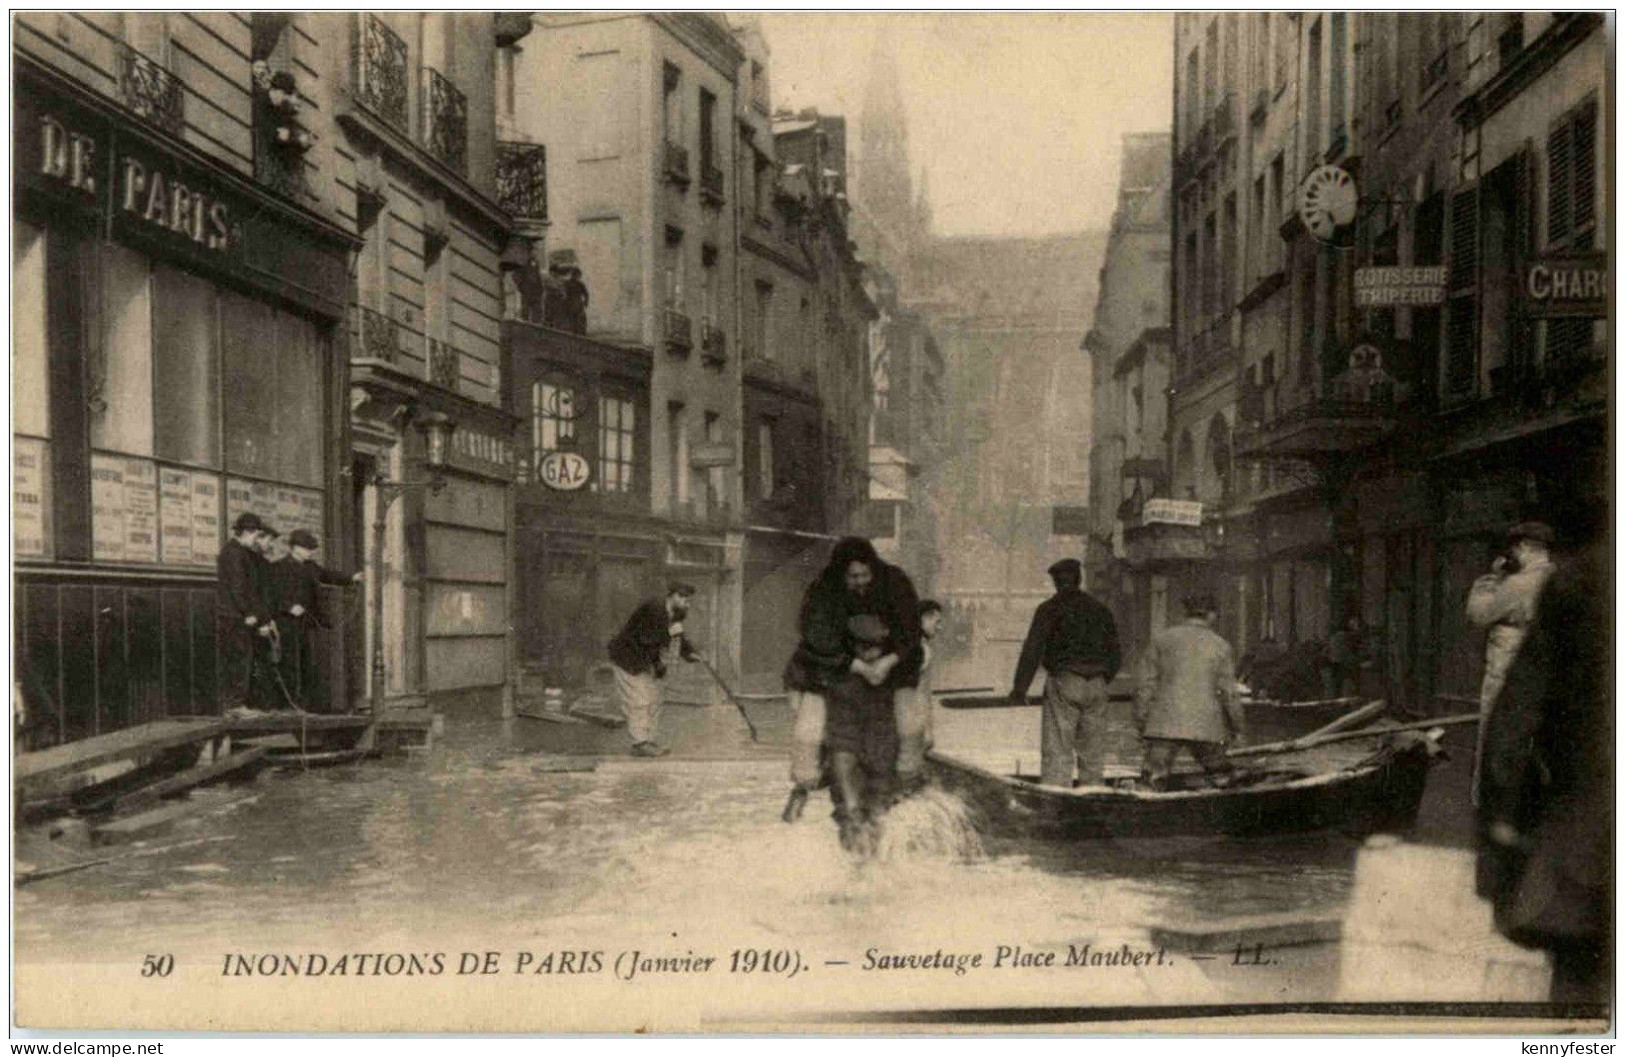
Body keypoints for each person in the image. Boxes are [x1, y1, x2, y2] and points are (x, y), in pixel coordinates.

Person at [1476, 540, 1609, 1003]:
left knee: (1583, 999)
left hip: (1593, 843)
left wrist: (1503, 837)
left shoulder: (1584, 577)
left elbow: (1514, 727)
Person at [782, 538, 898, 817]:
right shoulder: (823, 601)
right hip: (815, 679)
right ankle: (802, 790)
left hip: (847, 682)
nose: (859, 582)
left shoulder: (871, 599)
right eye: (853, 576)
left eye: (864, 575)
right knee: (809, 739)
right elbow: (814, 651)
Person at [1008, 558, 1121, 788]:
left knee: (1058, 750)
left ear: (1056, 583)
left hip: (1065, 682)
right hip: (1097, 684)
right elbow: (1116, 653)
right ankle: (1093, 793)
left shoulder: (1048, 609)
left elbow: (1032, 651)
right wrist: (1101, 678)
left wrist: (1020, 690)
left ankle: (1057, 798)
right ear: (1079, 580)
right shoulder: (1100, 610)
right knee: (1093, 753)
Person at [1466, 521, 1557, 804]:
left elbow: (1479, 615)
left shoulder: (1517, 584)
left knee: (1494, 733)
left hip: (1507, 670)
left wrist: (1490, 581)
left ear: (1524, 548)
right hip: (1546, 669)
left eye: (1516, 549)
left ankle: (1489, 801)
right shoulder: (1555, 578)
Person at [1134, 593, 1245, 791]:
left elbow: (1144, 686)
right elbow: (1229, 693)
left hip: (1164, 722)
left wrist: (1142, 722)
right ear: (1211, 615)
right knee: (1222, 778)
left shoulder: (1161, 640)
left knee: (1151, 781)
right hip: (1207, 724)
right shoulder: (1221, 645)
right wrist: (1238, 727)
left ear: (1185, 613)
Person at [825, 613, 901, 854]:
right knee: (851, 813)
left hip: (880, 754)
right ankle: (856, 868)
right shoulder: (838, 677)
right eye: (865, 646)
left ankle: (869, 869)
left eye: (876, 646)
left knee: (878, 814)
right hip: (848, 752)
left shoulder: (891, 673)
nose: (872, 652)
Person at [607, 582, 701, 757]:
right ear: (671, 596)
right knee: (639, 700)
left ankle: (648, 740)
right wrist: (658, 665)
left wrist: (689, 653)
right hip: (628, 658)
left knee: (654, 699)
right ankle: (639, 743)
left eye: (687, 599)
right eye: (681, 597)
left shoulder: (674, 613)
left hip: (644, 661)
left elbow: (676, 634)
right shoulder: (654, 610)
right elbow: (648, 641)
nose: (685, 602)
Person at [272, 529, 363, 711]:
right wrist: (288, 607)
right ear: (295, 548)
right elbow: (271, 594)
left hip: (307, 622)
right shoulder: (278, 568)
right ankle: (288, 705)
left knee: (307, 663)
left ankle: (305, 705)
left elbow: (328, 575)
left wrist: (352, 578)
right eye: (308, 549)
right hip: (286, 624)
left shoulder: (310, 567)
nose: (311, 552)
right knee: (289, 663)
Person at [217, 513, 277, 711]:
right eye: (255, 534)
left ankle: (237, 704)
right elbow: (238, 588)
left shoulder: (237, 552)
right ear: (246, 532)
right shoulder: (234, 553)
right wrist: (249, 614)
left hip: (236, 615)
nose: (256, 539)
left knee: (242, 659)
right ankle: (234, 706)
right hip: (235, 616)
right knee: (239, 660)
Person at [895, 599, 944, 778]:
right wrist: (927, 731)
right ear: (923, 618)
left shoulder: (904, 645)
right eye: (936, 622)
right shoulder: (921, 650)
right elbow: (918, 694)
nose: (939, 628)